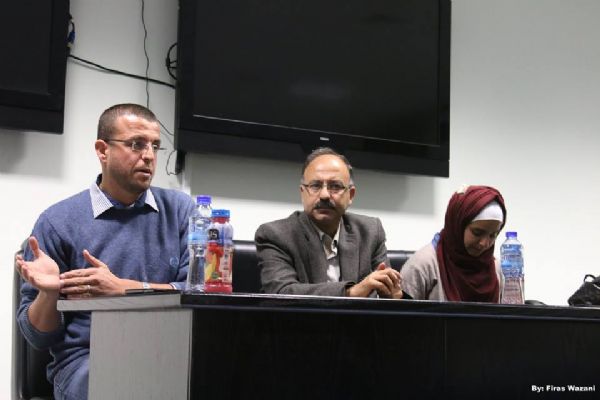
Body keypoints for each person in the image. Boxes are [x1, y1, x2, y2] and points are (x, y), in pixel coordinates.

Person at [15, 103, 196, 400]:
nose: (149, 156)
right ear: (102, 150)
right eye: (136, 144)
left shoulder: (180, 211)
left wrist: (123, 290)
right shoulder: (57, 222)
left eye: (155, 146)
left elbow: (198, 293)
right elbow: (38, 337)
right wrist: (49, 294)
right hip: (88, 359)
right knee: (125, 388)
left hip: (169, 352)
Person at [255, 147, 403, 298]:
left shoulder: (370, 232)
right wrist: (351, 292)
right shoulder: (276, 235)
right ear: (302, 193)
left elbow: (388, 293)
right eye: (315, 185)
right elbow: (281, 293)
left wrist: (394, 294)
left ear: (350, 195)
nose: (324, 195)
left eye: (335, 186)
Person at [400, 185, 506, 302]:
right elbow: (403, 313)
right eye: (477, 233)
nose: (484, 244)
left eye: (493, 235)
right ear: (457, 226)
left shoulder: (496, 269)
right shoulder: (422, 267)